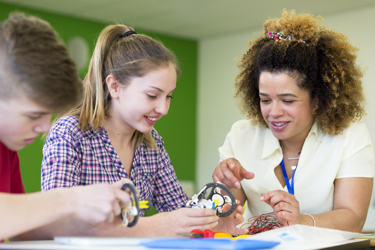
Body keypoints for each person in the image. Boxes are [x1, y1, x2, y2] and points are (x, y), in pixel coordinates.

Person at [41, 24, 246, 237]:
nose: (163, 109)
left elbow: (178, 213)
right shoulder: (70, 133)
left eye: (168, 96)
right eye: (152, 95)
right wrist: (154, 226)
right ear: (114, 87)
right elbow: (58, 223)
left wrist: (212, 224)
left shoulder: (152, 143)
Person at [212, 10, 374, 233]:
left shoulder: (350, 135)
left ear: (317, 99)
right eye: (265, 99)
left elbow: (353, 218)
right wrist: (221, 192)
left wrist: (301, 220)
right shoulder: (241, 135)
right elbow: (228, 215)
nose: (273, 112)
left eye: (287, 100)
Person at [0, 13, 132, 241]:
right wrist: (72, 199)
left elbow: (21, 230)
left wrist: (94, 222)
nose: (44, 127)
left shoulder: (7, 147)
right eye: (34, 115)